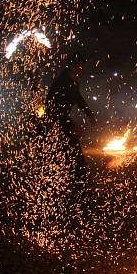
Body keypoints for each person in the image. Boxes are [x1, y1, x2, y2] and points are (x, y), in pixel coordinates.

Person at [43, 53, 97, 186]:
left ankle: (73, 183)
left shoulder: (72, 83)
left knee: (71, 155)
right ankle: (75, 185)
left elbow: (78, 99)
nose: (82, 70)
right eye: (80, 66)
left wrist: (89, 114)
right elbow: (53, 109)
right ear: (72, 66)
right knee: (73, 156)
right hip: (55, 123)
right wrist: (70, 125)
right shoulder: (62, 83)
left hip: (62, 122)